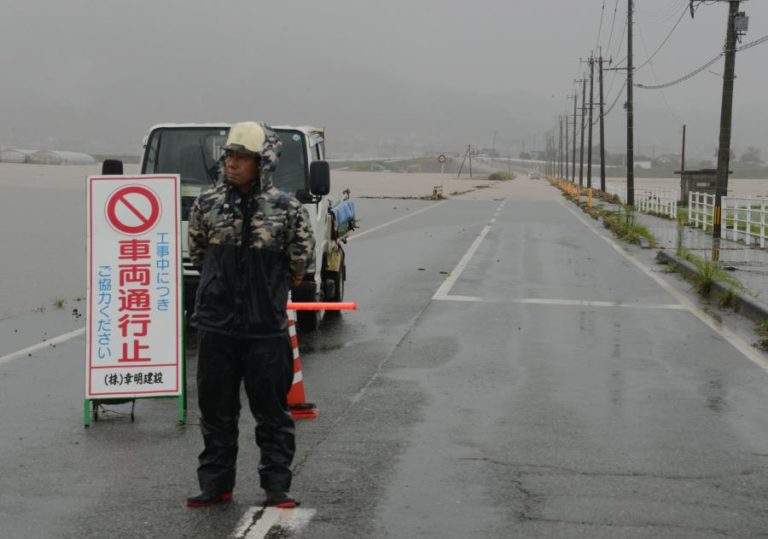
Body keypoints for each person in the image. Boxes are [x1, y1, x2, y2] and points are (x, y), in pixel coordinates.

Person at [185, 122, 314, 509]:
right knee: (216, 412)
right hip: (217, 326)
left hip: (265, 329)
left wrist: (265, 291)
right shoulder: (207, 204)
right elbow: (199, 255)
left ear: (264, 163)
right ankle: (215, 485)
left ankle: (276, 487)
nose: (232, 163)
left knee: (272, 413)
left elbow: (298, 263)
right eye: (229, 155)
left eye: (242, 157)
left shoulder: (286, 209)